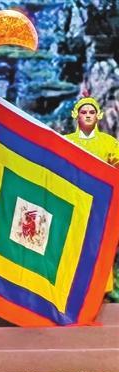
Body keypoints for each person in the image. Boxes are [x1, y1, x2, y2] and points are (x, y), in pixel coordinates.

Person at [64, 97, 119, 301]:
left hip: (99, 208)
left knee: (98, 248)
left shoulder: (108, 142)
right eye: (84, 112)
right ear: (76, 115)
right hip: (73, 203)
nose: (87, 115)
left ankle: (99, 292)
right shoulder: (66, 141)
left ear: (98, 115)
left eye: (91, 112)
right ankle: (70, 291)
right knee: (71, 246)